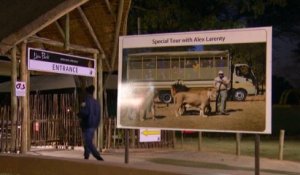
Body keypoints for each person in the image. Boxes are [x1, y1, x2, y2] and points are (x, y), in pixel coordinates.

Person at [78, 85, 104, 161]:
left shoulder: (85, 101)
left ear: (86, 92)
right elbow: (99, 114)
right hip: (94, 124)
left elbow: (84, 112)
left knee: (88, 141)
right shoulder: (96, 102)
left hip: (87, 124)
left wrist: (79, 114)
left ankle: (97, 156)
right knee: (87, 140)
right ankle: (86, 156)